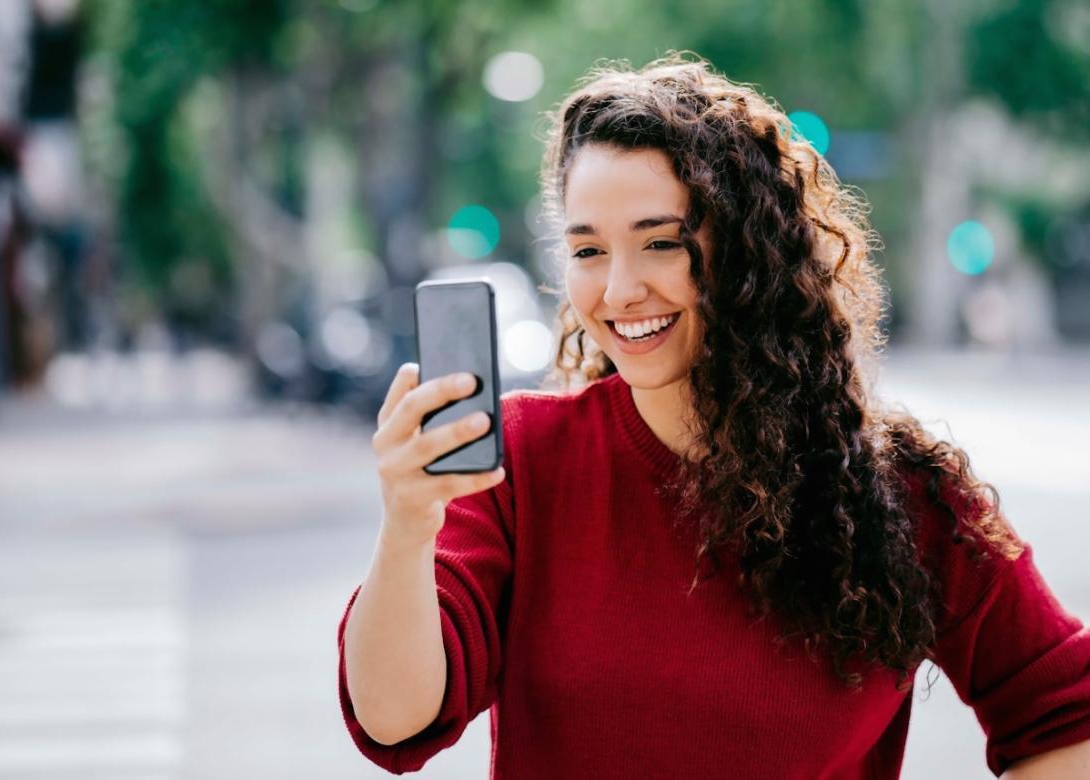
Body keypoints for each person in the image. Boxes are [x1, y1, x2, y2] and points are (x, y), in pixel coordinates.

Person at [336, 53, 1090, 778]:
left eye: (661, 242)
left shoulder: (900, 491)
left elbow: (1066, 715)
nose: (619, 290)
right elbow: (394, 721)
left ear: (748, 252)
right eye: (589, 251)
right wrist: (407, 526)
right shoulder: (522, 459)